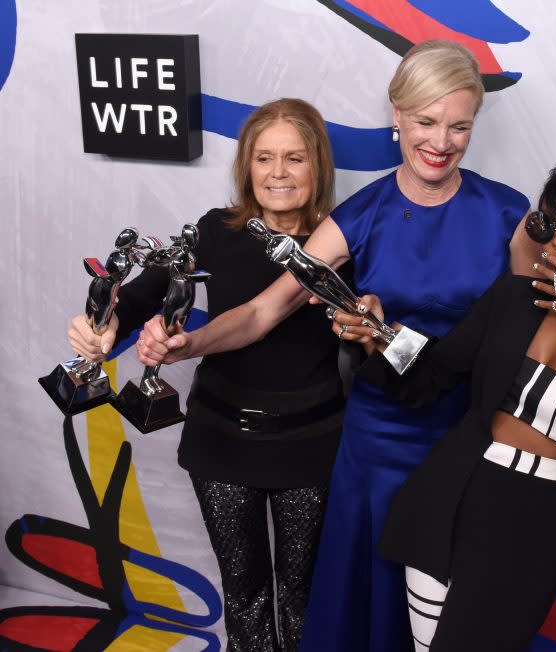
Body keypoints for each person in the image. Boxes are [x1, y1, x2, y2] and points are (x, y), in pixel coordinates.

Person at [137, 40, 533, 651]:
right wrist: (187, 344)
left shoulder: (509, 213)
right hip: (379, 440)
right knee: (364, 597)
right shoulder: (358, 216)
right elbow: (263, 312)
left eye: (460, 126)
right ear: (396, 118)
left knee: (458, 606)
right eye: (426, 121)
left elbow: (530, 327)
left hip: (469, 429)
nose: (441, 141)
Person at [353, 154, 556, 651]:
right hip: (445, 501)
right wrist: (378, 333)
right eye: (549, 223)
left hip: (523, 529)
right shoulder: (513, 296)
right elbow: (434, 374)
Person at [67, 98, 345, 652]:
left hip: (313, 446)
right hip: (222, 441)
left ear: (319, 166)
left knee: (303, 597)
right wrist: (103, 324)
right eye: (264, 158)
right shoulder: (215, 231)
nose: (278, 173)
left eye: (294, 158)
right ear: (246, 166)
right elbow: (145, 292)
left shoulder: (343, 240)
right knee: (244, 596)